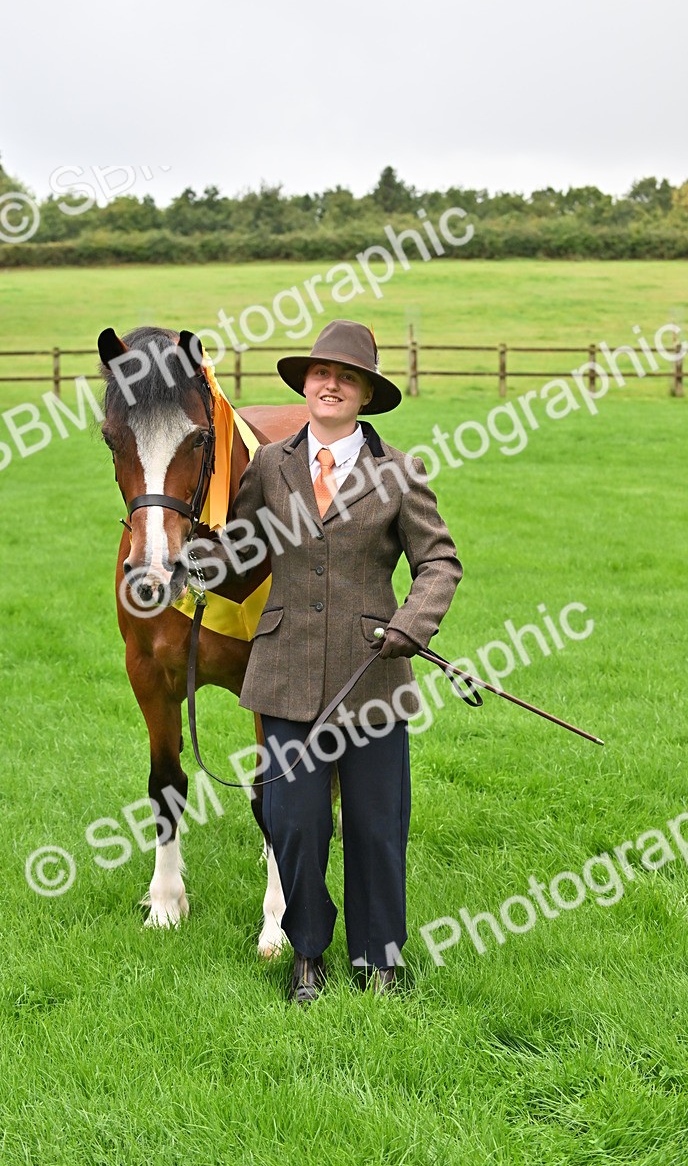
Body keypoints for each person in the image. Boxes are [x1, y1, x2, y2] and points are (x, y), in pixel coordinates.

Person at [196, 319, 462, 1003]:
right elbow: (244, 560)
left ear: (366, 393)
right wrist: (197, 565)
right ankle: (309, 950)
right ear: (305, 385)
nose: (332, 384)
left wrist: (414, 621)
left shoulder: (399, 473)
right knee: (295, 820)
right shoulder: (270, 467)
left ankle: (380, 958)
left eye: (347, 376)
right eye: (321, 373)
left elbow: (439, 562)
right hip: (283, 674)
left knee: (376, 824)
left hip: (373, 674)